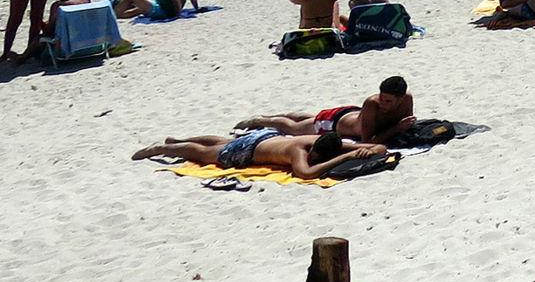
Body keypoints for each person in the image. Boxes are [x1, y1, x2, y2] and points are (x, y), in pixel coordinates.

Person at [132, 129, 383, 179]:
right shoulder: (301, 149)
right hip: (249, 151)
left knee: (222, 142)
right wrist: (346, 158)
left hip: (266, 138)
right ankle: (164, 149)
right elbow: (304, 173)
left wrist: (362, 150)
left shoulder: (328, 142)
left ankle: (178, 138)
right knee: (205, 154)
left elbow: (381, 148)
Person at [236, 75, 416, 141]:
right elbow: (368, 140)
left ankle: (281, 114)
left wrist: (401, 128)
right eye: (382, 99)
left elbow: (406, 125)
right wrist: (396, 128)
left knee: (309, 118)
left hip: (350, 115)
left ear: (400, 99)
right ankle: (261, 120)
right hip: (335, 123)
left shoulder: (407, 98)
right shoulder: (372, 103)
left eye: (388, 101)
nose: (383, 104)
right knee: (295, 128)